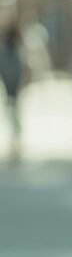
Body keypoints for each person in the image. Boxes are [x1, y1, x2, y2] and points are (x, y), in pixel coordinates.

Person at [0, 22, 24, 159]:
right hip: (11, 82)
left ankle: (16, 133)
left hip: (11, 82)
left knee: (13, 108)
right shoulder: (9, 50)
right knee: (13, 108)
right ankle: (15, 133)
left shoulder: (10, 50)